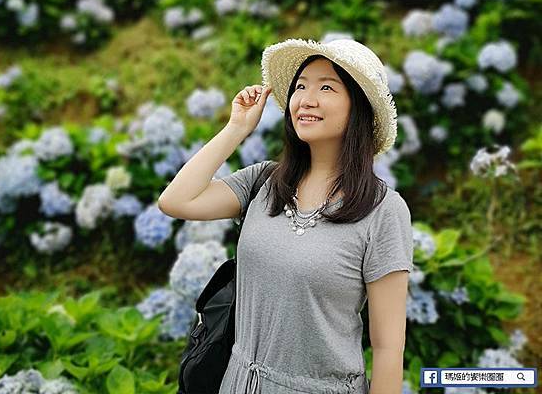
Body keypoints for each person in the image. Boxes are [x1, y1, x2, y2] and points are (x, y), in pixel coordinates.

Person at [158, 38, 414, 394]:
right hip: (237, 384)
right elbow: (176, 201)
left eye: (326, 87)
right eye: (300, 86)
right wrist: (236, 129)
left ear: (359, 108)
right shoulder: (264, 181)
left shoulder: (383, 211)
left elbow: (388, 349)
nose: (305, 99)